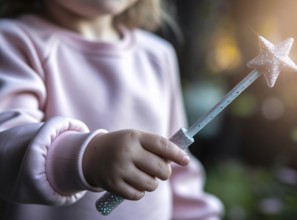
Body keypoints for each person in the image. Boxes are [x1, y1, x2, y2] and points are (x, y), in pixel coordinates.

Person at [0, 0, 223, 219]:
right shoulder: (13, 41)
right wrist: (85, 159)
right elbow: (6, 145)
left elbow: (176, 161)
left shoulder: (158, 55)